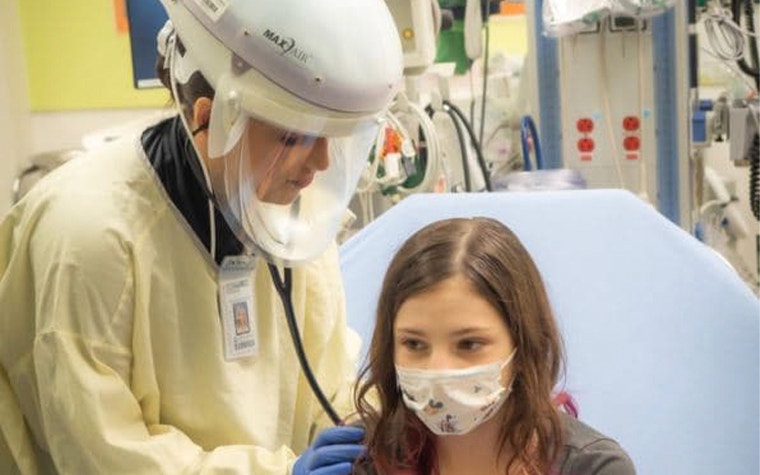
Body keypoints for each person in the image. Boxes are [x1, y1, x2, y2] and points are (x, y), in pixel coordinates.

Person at [0, 0, 402, 473]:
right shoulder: (90, 237)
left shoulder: (289, 214)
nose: (319, 166)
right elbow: (99, 451)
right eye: (296, 138)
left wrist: (374, 433)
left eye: (336, 138)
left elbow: (325, 382)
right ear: (212, 121)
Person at [354, 217, 636, 474]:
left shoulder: (593, 468)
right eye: (414, 344)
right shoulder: (363, 456)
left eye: (469, 344)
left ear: (523, 347)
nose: (438, 369)